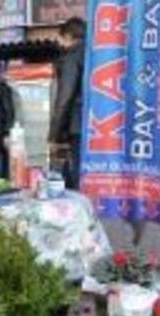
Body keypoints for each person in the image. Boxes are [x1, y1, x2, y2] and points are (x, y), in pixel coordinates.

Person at [50, 17, 86, 190]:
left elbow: (65, 98)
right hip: (98, 123)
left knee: (79, 169)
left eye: (60, 37)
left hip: (78, 123)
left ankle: (83, 210)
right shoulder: (94, 54)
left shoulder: (71, 58)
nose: (58, 42)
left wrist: (54, 135)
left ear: (69, 36)